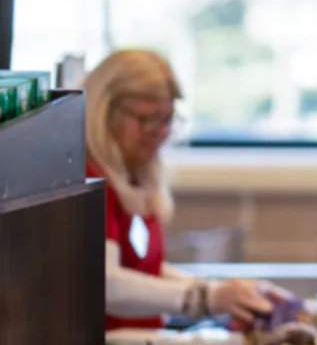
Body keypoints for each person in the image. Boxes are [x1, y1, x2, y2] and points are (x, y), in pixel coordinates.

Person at [87, 50, 273, 330]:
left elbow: (143, 271)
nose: (160, 132)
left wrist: (225, 294)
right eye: (147, 119)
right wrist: (204, 297)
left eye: (167, 120)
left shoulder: (130, 178)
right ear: (105, 113)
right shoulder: (89, 181)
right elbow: (106, 284)